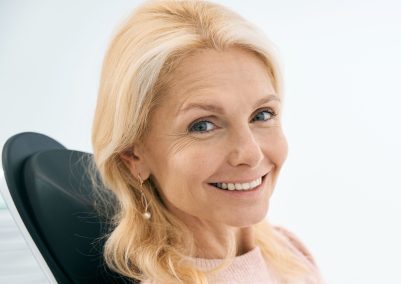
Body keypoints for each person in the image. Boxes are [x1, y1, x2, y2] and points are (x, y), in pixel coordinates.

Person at [91, 0, 322, 283]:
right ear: (133, 155)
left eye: (262, 114)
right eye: (203, 125)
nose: (250, 153)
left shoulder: (289, 253)